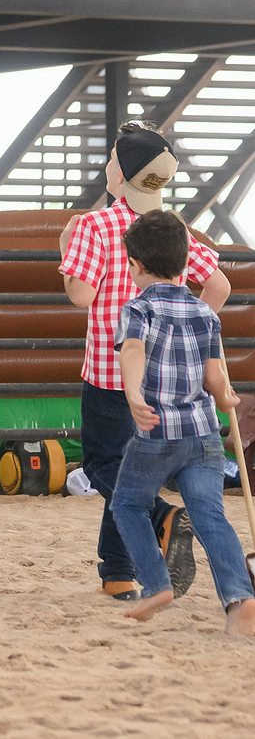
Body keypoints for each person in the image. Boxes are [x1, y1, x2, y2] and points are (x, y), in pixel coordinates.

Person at [59, 123, 229, 601]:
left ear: (119, 174)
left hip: (110, 372)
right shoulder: (171, 230)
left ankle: (162, 517)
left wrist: (66, 248)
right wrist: (186, 335)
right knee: (126, 467)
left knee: (103, 465)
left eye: (112, 159)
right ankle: (117, 572)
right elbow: (218, 287)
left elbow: (81, 295)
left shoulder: (94, 226)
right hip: (164, 377)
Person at [110, 211, 255, 635]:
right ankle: (240, 600)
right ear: (186, 263)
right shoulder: (205, 313)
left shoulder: (138, 308)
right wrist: (226, 398)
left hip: (157, 432)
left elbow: (132, 350)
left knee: (127, 504)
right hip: (203, 433)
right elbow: (215, 377)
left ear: (135, 264)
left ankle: (157, 585)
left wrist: (134, 395)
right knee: (210, 515)